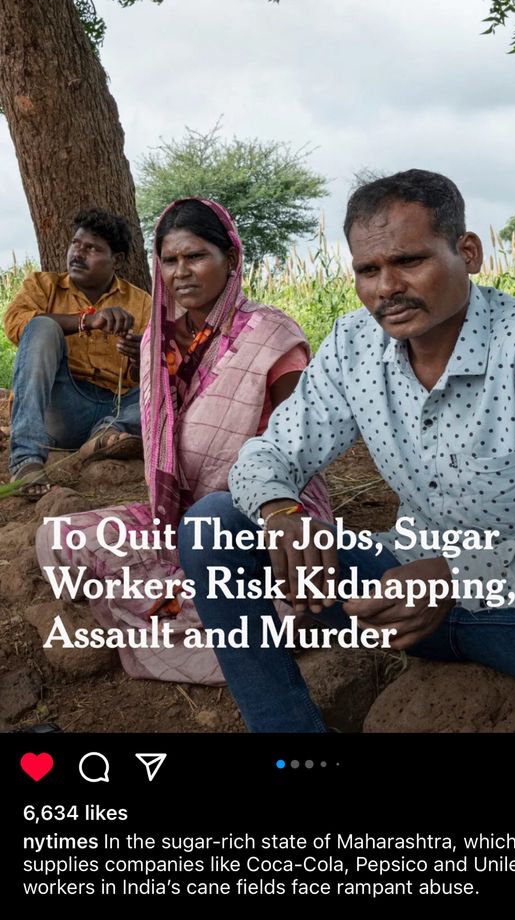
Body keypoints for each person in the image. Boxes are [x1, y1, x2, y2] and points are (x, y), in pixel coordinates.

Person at [177, 169, 515, 733]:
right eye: (368, 270)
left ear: (467, 253)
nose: (386, 287)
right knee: (212, 526)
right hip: (394, 604)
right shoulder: (354, 345)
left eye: (410, 261)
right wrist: (281, 513)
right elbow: (266, 454)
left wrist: (452, 577)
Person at [35, 197, 331, 684]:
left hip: (262, 517)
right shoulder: (159, 340)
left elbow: (299, 442)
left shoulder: (270, 335)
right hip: (175, 517)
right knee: (59, 537)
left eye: (195, 257)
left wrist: (276, 514)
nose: (181, 272)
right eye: (169, 261)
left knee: (277, 592)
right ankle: (213, 610)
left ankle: (207, 612)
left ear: (230, 259)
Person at [4, 208, 151, 497]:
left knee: (166, 386)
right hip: (61, 410)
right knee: (42, 326)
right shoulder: (43, 285)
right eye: (76, 244)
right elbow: (15, 325)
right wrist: (86, 321)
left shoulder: (141, 302)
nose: (78, 253)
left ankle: (103, 437)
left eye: (92, 248)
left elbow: (141, 378)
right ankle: (25, 460)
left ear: (116, 260)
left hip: (116, 409)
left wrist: (138, 358)